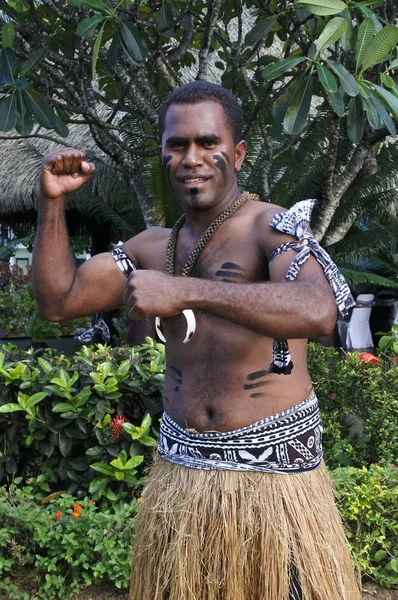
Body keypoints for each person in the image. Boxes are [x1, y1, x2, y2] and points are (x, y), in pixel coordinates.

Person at [33, 81, 361, 600]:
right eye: (177, 145)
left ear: (238, 152)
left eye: (209, 144)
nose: (193, 158)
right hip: (181, 479)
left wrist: (184, 291)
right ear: (163, 153)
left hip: (274, 485)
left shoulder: (269, 228)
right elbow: (59, 301)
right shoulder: (152, 247)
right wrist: (51, 205)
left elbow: (319, 310)